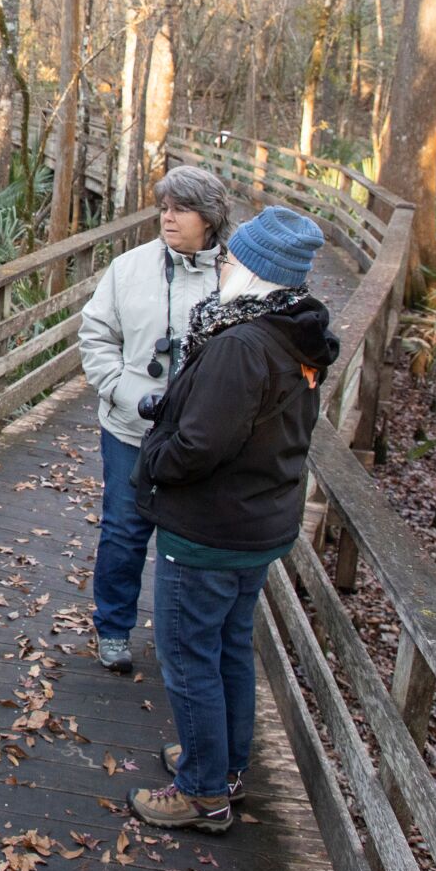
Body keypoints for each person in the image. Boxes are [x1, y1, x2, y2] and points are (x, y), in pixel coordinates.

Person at [126, 206, 337, 834]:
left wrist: (153, 460)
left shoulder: (242, 344)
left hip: (210, 530)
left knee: (189, 656)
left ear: (255, 270)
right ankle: (222, 766)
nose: (221, 264)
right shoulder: (294, 333)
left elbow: (199, 445)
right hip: (256, 523)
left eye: (232, 257)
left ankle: (202, 793)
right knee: (227, 650)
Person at [77, 165, 229, 673]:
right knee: (123, 531)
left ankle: (178, 639)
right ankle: (113, 629)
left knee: (188, 542)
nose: (168, 217)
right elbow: (96, 337)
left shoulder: (233, 276)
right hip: (130, 429)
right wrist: (126, 393)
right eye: (164, 208)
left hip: (200, 439)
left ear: (209, 217)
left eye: (181, 209)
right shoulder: (129, 268)